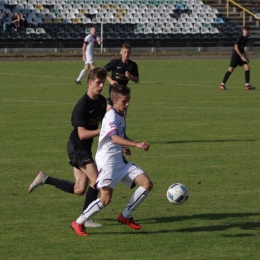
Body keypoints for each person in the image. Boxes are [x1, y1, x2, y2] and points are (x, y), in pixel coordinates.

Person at [28, 67, 108, 228]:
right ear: (89, 82)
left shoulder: (101, 101)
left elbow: (106, 124)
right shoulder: (82, 105)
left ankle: (45, 178)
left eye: (103, 83)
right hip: (77, 146)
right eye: (98, 83)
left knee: (79, 189)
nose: (101, 86)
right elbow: (82, 134)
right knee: (97, 180)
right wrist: (104, 131)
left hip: (85, 148)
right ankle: (85, 218)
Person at [71, 84, 153, 236]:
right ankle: (79, 222)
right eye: (124, 101)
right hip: (108, 163)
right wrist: (136, 144)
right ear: (114, 101)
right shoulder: (110, 116)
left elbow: (120, 136)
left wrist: (126, 145)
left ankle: (125, 216)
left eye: (128, 100)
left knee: (147, 184)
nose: (127, 103)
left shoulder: (121, 113)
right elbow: (114, 138)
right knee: (105, 199)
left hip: (120, 161)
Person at [104, 43, 139, 111]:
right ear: (121, 52)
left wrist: (130, 77)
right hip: (114, 88)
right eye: (125, 52)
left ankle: (122, 121)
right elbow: (103, 71)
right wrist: (111, 81)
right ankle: (106, 119)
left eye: (128, 52)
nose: (126, 54)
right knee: (112, 104)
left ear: (130, 53)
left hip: (123, 89)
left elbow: (137, 80)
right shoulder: (115, 62)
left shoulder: (133, 65)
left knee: (123, 107)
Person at [219, 26, 255, 90]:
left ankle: (247, 85)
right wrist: (242, 56)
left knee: (247, 67)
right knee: (230, 69)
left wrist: (245, 57)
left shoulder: (246, 38)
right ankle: (222, 84)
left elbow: (242, 48)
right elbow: (236, 47)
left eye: (248, 30)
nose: (246, 32)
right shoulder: (240, 37)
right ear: (243, 31)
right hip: (235, 56)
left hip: (241, 56)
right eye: (245, 30)